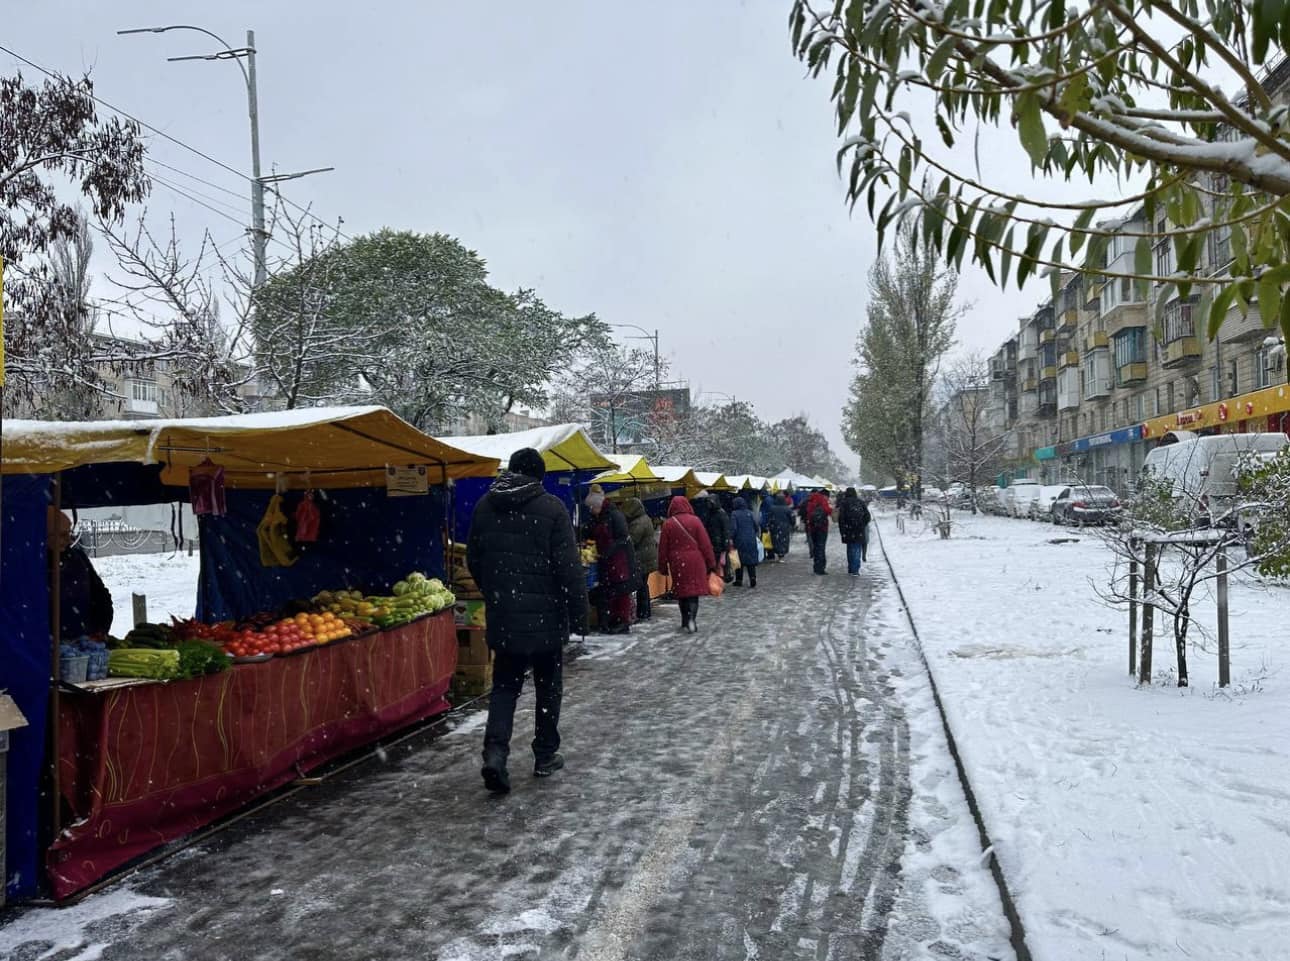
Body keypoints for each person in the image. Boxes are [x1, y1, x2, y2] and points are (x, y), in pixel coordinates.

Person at [467, 448, 588, 794]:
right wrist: (579, 617)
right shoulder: (551, 508)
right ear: (539, 476)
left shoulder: (484, 506)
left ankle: (495, 755)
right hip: (546, 621)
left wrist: (497, 593)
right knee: (548, 688)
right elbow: (569, 569)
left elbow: (474, 559)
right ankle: (545, 755)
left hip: (505, 618)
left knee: (504, 689)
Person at [47, 508, 114, 638]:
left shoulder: (77, 558)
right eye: (61, 535)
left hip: (82, 643)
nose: (69, 540)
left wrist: (100, 630)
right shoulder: (28, 566)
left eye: (69, 533)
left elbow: (101, 597)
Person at [657, 496, 717, 633]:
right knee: (693, 593)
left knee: (682, 592)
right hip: (695, 561)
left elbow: (663, 548)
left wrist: (662, 566)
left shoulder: (668, 524)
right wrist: (711, 563)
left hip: (677, 562)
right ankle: (692, 619)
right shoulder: (695, 521)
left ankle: (685, 620)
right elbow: (705, 544)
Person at [585, 492, 636, 634]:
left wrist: (607, 551)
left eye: (592, 507)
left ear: (598, 505)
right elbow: (592, 537)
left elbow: (622, 538)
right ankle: (615, 621)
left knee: (621, 592)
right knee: (612, 591)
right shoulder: (598, 517)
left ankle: (623, 622)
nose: (591, 510)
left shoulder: (614, 516)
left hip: (619, 560)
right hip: (608, 561)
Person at [622, 497, 657, 622]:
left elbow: (632, 540)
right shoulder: (645, 518)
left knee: (641, 585)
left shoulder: (639, 522)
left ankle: (643, 612)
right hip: (646, 558)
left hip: (642, 559)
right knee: (643, 585)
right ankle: (645, 611)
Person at [697, 493, 733, 582]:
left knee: (718, 565)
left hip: (718, 544)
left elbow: (725, 530)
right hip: (713, 543)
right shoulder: (710, 514)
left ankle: (717, 582)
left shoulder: (720, 514)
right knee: (715, 565)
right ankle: (715, 582)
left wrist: (725, 546)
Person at [837, 487, 872, 576]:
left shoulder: (844, 503)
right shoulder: (860, 502)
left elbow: (841, 519)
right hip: (859, 529)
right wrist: (862, 524)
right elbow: (868, 516)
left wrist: (842, 531)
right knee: (857, 549)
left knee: (850, 548)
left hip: (848, 529)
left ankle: (851, 567)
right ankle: (855, 569)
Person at [729, 496, 762, 587]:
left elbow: (733, 528)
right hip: (751, 539)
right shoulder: (750, 513)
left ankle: (739, 580)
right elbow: (756, 526)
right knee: (750, 560)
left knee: (739, 560)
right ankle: (753, 577)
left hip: (739, 540)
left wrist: (731, 537)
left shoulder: (734, 514)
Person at [804, 488, 833, 575]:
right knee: (821, 547)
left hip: (812, 527)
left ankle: (816, 566)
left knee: (816, 547)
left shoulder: (811, 499)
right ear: (825, 495)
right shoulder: (822, 500)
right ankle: (820, 568)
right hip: (822, 528)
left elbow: (807, 511)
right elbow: (827, 510)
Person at [767, 493, 795, 562]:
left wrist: (769, 525)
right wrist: (792, 524)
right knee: (783, 541)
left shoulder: (772, 508)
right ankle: (781, 555)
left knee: (775, 540)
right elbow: (792, 518)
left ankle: (776, 553)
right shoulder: (787, 509)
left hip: (774, 527)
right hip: (784, 527)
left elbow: (769, 517)